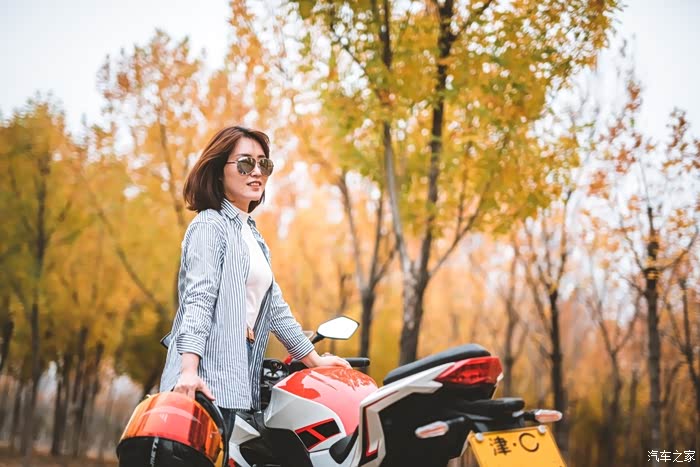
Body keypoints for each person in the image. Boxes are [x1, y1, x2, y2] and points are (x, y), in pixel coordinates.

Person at [159, 125, 350, 437]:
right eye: (246, 163)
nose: (257, 172)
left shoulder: (251, 235)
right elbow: (198, 301)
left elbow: (275, 308)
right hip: (203, 380)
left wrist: (315, 361)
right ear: (219, 172)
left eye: (265, 164)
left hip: (235, 376)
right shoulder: (210, 226)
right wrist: (189, 371)